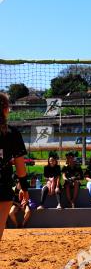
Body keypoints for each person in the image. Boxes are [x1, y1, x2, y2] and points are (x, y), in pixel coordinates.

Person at [0, 92, 30, 243]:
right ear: (6, 109)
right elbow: (20, 168)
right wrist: (24, 189)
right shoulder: (12, 133)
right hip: (2, 186)